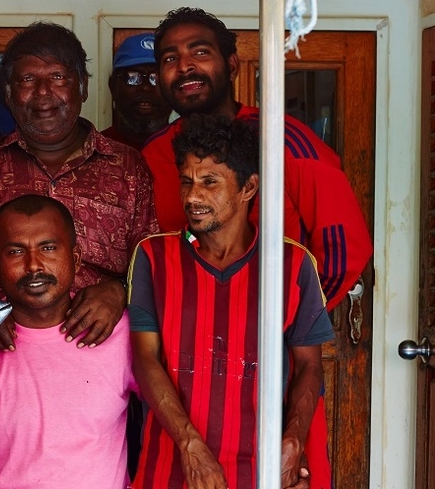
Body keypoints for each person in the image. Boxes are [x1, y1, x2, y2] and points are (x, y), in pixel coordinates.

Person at [129, 115, 333, 489]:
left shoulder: (292, 265)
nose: (193, 196)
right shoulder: (153, 257)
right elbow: (145, 360)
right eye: (187, 182)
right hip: (170, 464)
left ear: (248, 188)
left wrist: (293, 440)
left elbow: (309, 366)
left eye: (210, 182)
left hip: (262, 471)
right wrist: (190, 444)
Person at [0, 21, 158, 351]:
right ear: (8, 93)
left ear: (83, 87)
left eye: (58, 77)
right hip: (5, 358)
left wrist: (118, 290)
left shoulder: (129, 167)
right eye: (28, 79)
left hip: (107, 357)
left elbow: (152, 260)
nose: (43, 93)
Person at [142, 7, 371, 309]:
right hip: (181, 332)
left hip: (269, 337)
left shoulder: (284, 141)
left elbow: (344, 250)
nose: (185, 66)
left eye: (200, 52)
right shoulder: (151, 153)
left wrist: (290, 322)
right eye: (170, 58)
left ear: (232, 65)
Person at [0, 195, 135, 489]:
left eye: (48, 248)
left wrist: (120, 288)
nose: (34, 265)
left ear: (76, 258)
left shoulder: (118, 332)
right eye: (16, 251)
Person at [101, 32, 171, 150]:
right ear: (112, 86)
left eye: (156, 78)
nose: (145, 87)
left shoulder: (193, 153)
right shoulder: (92, 152)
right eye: (132, 77)